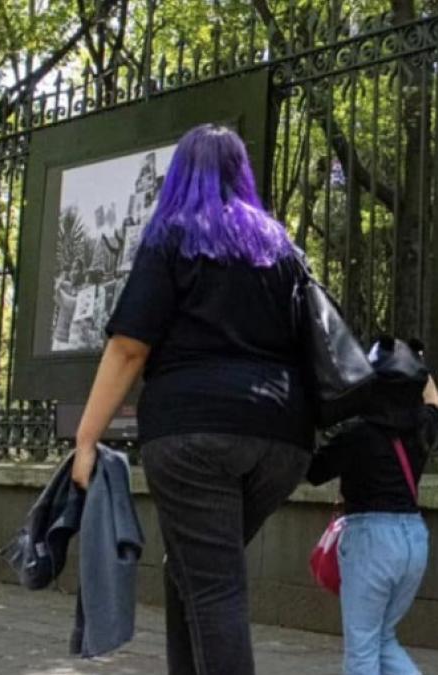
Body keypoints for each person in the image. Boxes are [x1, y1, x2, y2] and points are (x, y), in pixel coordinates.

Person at [70, 124, 313, 675]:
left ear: (179, 174)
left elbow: (129, 348)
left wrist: (87, 439)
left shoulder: (171, 236)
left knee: (214, 586)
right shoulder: (279, 245)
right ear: (241, 173)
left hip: (194, 435)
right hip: (281, 440)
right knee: (192, 569)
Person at [306, 336, 438, 675]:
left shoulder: (358, 435)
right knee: (382, 639)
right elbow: (434, 398)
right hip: (414, 539)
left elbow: (313, 470)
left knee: (363, 651)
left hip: (371, 542)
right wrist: (413, 359)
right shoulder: (423, 426)